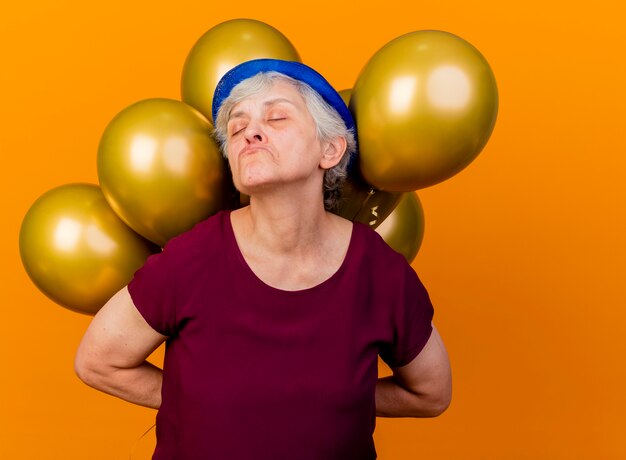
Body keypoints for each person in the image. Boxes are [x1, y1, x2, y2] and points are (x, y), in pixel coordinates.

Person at [75, 59, 452, 459]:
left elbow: (431, 393)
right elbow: (98, 362)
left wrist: (326, 404)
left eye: (275, 117)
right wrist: (197, 405)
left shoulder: (379, 271)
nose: (249, 132)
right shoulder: (191, 258)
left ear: (330, 149)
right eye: (236, 127)